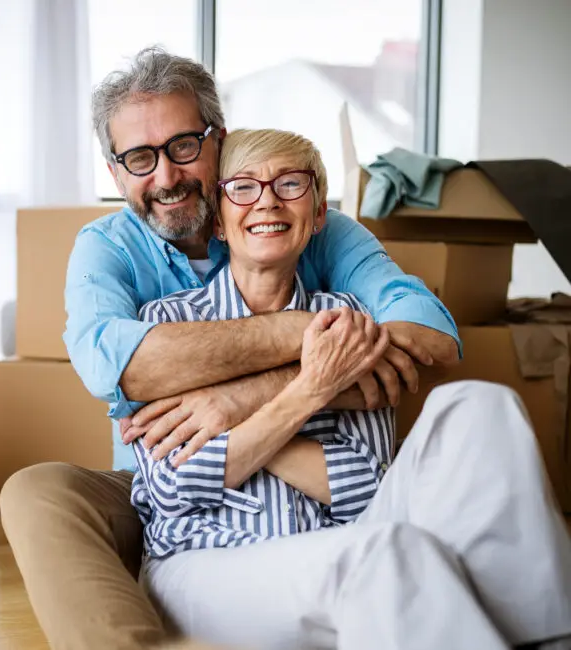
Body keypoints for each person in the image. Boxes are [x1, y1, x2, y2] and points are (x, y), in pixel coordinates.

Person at [1, 46, 451, 649]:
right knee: (36, 492)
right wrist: (312, 337)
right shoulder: (107, 248)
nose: (166, 177)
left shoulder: (306, 222)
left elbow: (428, 336)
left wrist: (241, 399)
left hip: (306, 498)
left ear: (219, 140)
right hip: (164, 487)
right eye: (140, 158)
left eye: (184, 146)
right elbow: (121, 370)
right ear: (115, 173)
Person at [132, 127, 571, 649]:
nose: (267, 200)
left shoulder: (349, 322)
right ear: (219, 222)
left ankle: (545, 637)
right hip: (206, 563)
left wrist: (236, 418)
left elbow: (365, 486)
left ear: (318, 215)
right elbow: (173, 485)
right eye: (243, 187)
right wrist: (311, 391)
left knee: (479, 403)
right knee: (381, 553)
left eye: (290, 184)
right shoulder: (166, 325)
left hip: (333, 541)